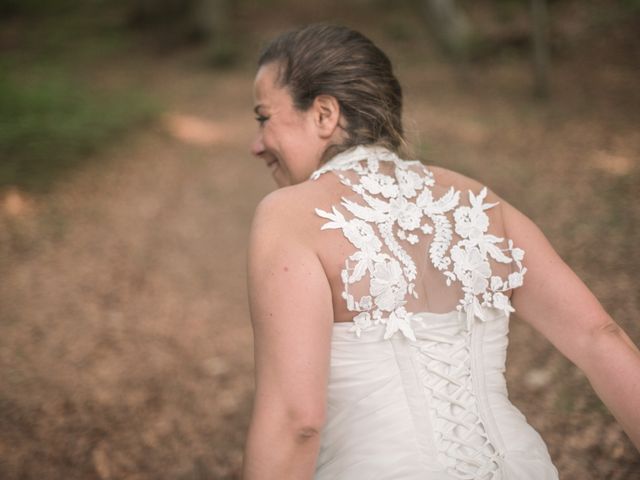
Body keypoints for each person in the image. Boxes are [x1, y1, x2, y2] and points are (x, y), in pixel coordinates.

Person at [241, 24, 640, 480]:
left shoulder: (288, 216)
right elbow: (600, 337)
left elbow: (297, 421)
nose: (255, 144)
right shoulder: (479, 202)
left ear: (325, 114)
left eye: (263, 117)